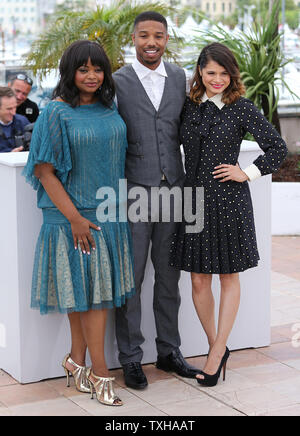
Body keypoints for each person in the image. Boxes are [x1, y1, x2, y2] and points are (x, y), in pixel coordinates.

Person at [23, 40, 135, 407]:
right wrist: (75, 219)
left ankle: (75, 362)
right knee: (95, 299)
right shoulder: (55, 112)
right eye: (83, 69)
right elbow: (44, 172)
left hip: (109, 214)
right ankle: (102, 374)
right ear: (70, 72)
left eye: (98, 69)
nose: (92, 75)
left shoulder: (109, 107)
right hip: (74, 218)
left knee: (87, 296)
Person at [170, 42, 287, 387]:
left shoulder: (242, 108)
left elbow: (277, 147)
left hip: (229, 202)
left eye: (224, 73)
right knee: (197, 279)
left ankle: (216, 350)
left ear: (231, 75)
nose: (217, 79)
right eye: (210, 73)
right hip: (193, 200)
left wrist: (246, 172)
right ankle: (217, 347)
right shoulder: (189, 107)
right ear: (200, 73)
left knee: (228, 277)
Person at [113, 11, 201, 390]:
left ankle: (169, 351)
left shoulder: (180, 77)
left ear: (167, 39)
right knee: (131, 279)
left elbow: (190, 127)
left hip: (175, 191)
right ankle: (131, 358)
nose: (152, 42)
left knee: (169, 277)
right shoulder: (116, 81)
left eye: (159, 36)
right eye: (144, 35)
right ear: (133, 38)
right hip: (133, 191)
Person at [0, 87, 29, 153]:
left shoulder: (23, 122)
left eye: (15, 107)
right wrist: (9, 155)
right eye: (9, 109)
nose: (13, 113)